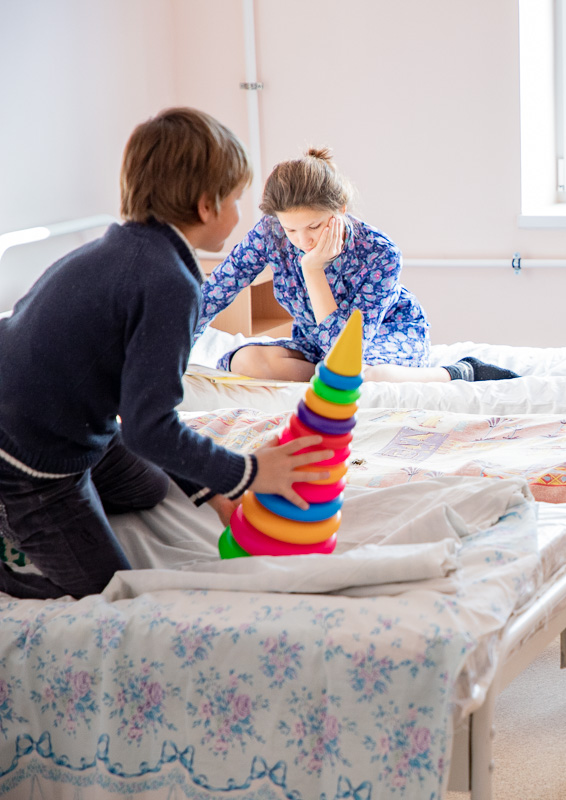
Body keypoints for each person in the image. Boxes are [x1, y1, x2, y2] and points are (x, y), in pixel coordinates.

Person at [0, 108, 332, 600]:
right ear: (206, 206)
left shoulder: (126, 249)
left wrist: (215, 491)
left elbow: (136, 408)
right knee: (111, 590)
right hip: (29, 453)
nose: (240, 214)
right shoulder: (169, 284)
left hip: (71, 422)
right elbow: (149, 429)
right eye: (235, 200)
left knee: (151, 488)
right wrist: (249, 472)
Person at [195, 148, 518, 384]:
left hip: (382, 334)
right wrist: (175, 348)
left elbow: (343, 349)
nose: (302, 240)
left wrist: (313, 270)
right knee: (247, 361)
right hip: (314, 339)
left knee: (357, 374)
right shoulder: (271, 232)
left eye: (314, 226)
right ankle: (328, 378)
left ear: (341, 209)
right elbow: (217, 290)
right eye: (291, 229)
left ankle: (458, 372)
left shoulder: (380, 253)